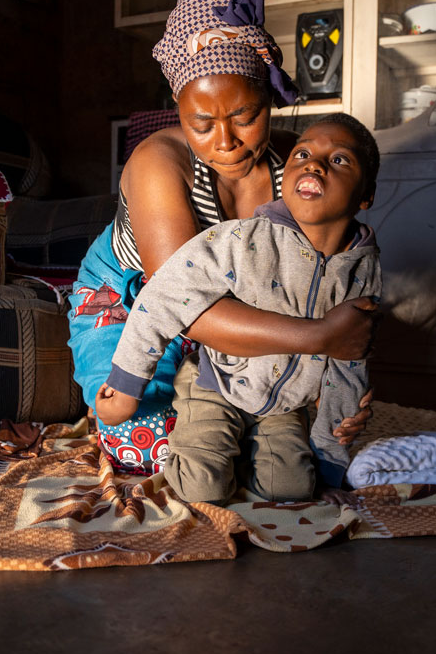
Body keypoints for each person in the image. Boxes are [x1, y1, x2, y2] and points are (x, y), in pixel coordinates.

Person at [67, 0, 376, 475]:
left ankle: (245, 408)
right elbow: (185, 307)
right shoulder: (158, 165)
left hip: (246, 305)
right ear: (178, 108)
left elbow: (330, 277)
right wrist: (322, 338)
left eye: (247, 117)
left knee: (287, 440)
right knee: (145, 448)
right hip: (137, 300)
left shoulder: (295, 166)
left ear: (270, 98)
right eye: (202, 124)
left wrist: (342, 378)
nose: (227, 143)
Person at [94, 114, 381, 503]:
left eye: (339, 160)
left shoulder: (362, 269)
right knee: (202, 488)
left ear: (366, 195)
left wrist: (333, 444)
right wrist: (128, 383)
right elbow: (165, 294)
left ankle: (246, 452)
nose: (314, 164)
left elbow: (351, 356)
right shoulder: (242, 239)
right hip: (218, 384)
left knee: (294, 488)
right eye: (303, 154)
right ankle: (211, 441)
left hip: (284, 405)